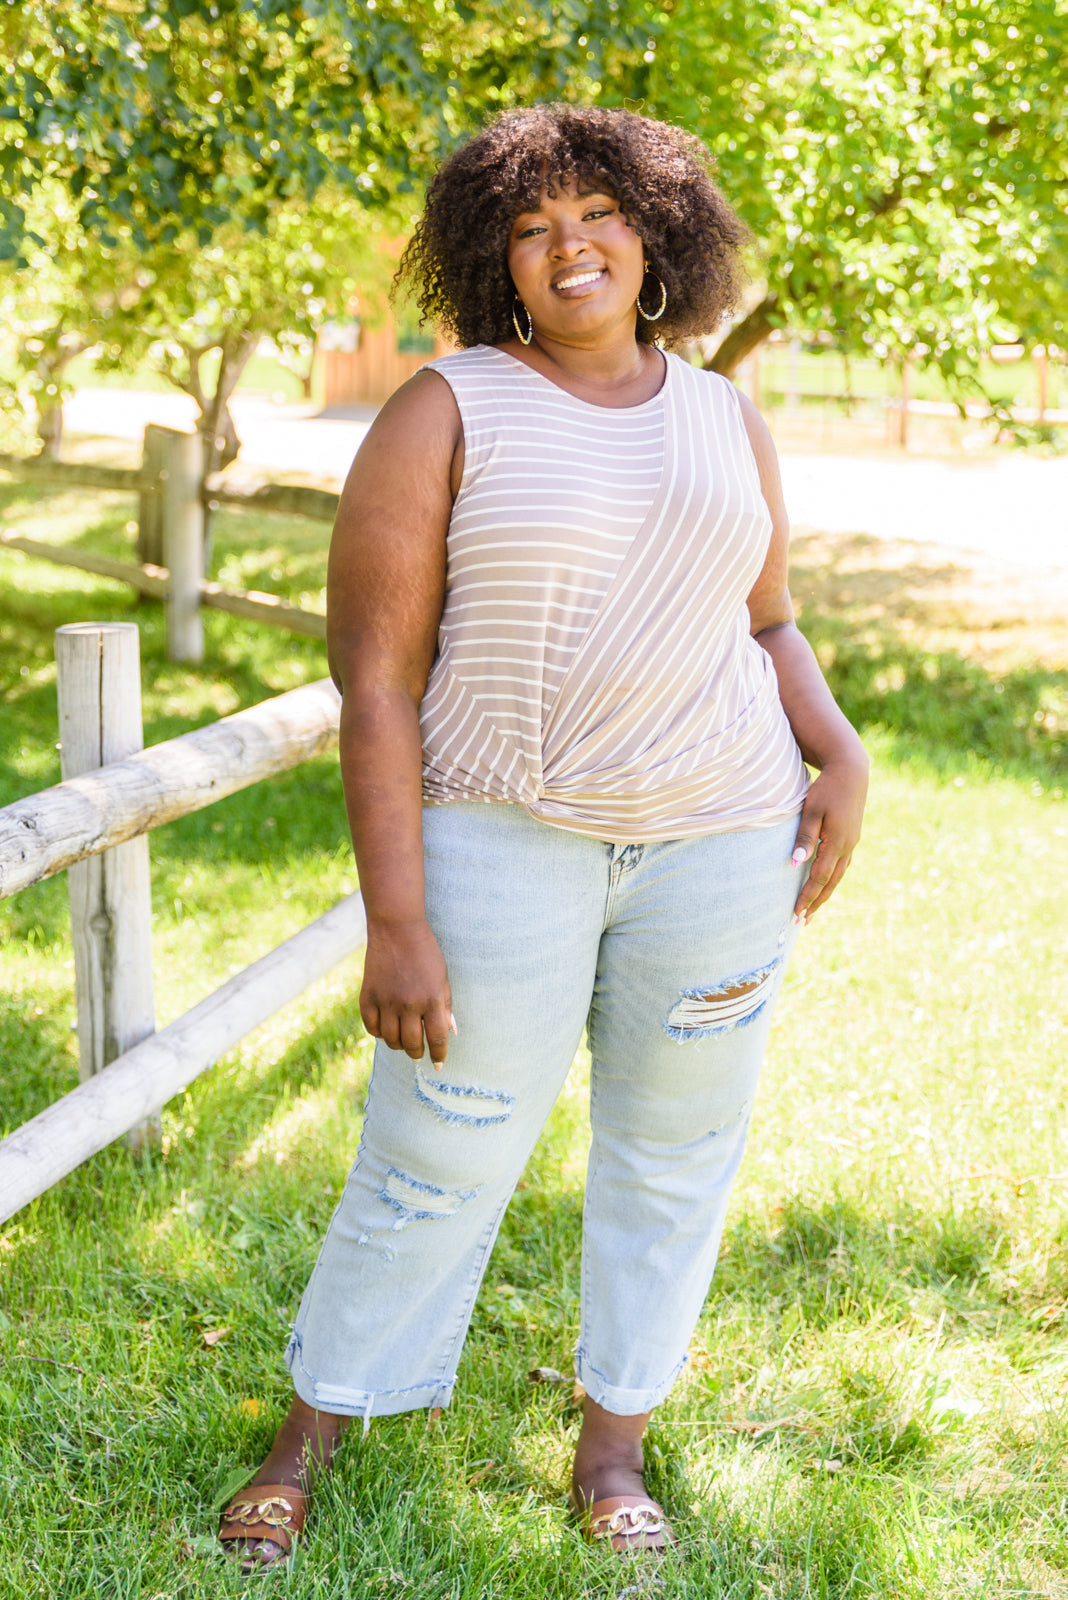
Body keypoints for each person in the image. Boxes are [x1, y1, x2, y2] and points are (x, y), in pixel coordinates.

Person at [219, 104, 868, 1569]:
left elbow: (764, 619)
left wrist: (840, 752)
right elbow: (376, 683)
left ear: (657, 236)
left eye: (599, 215)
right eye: (532, 224)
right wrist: (397, 918)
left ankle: (614, 1445)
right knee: (432, 1148)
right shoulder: (445, 407)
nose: (571, 244)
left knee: (676, 1151)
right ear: (497, 260)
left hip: (720, 844)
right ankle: (312, 1428)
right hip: (501, 838)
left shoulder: (725, 414)